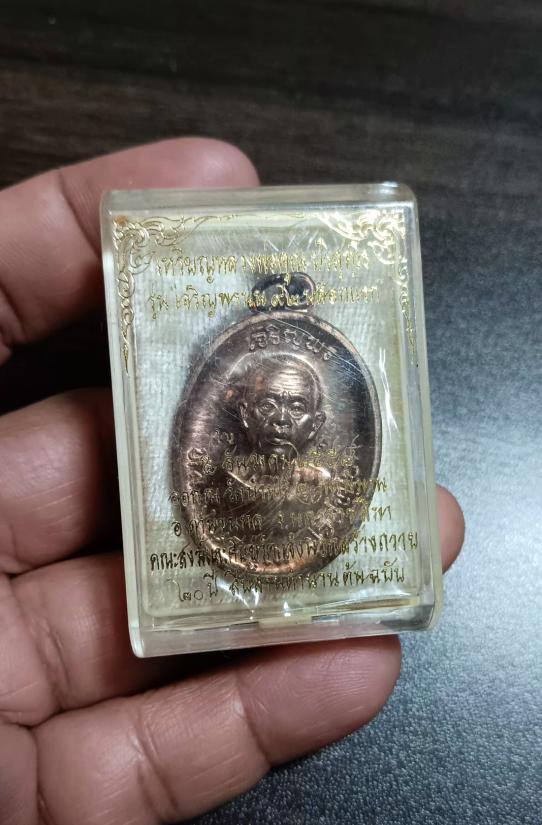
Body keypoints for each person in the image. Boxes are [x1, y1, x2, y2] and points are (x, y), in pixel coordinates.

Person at [0, 138, 465, 824]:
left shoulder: (326, 484)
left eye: (297, 408)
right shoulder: (216, 481)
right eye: (267, 404)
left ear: (318, 421)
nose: (281, 418)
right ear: (240, 411)